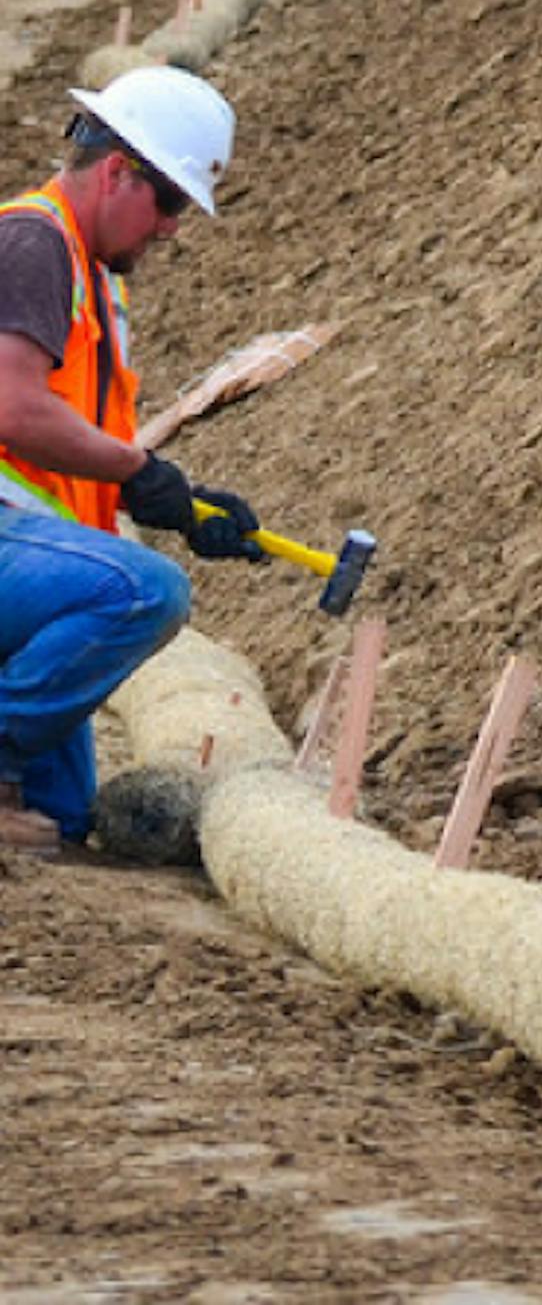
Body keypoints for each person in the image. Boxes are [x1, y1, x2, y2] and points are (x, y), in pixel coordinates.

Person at [0, 67, 264, 851]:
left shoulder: (78, 269)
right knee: (149, 591)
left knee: (66, 818)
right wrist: (134, 472)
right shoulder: (32, 242)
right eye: (173, 201)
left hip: (20, 567)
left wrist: (178, 502)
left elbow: (58, 451)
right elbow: (13, 407)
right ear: (117, 170)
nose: (173, 228)